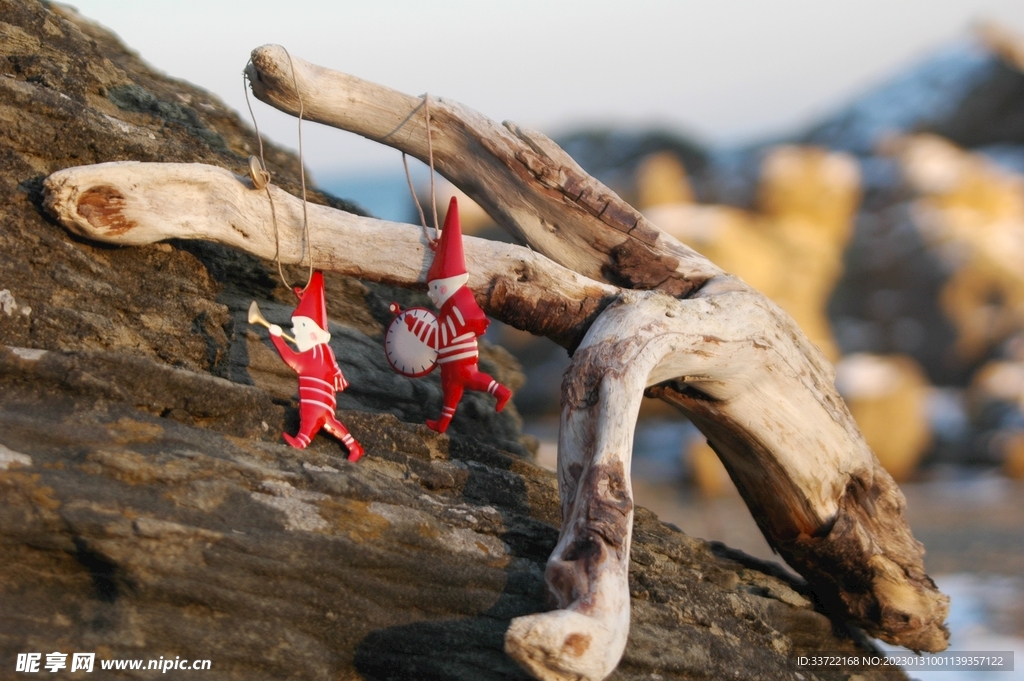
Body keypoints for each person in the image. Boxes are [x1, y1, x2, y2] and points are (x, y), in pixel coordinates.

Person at [268, 271, 364, 461]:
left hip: (315, 400)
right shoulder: (324, 352)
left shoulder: (315, 353)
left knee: (312, 419)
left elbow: (292, 360)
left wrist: (277, 338)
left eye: (301, 326)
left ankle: (302, 442)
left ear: (315, 331)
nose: (295, 331)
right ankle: (353, 447)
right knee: (328, 421)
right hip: (324, 401)